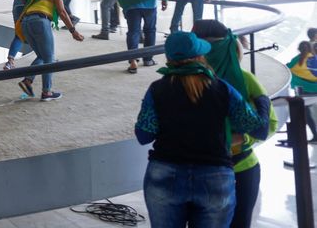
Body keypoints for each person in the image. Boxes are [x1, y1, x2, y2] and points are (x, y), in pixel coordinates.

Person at [135, 31, 270, 228]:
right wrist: (262, 101)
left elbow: (143, 135)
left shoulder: (157, 89)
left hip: (164, 176)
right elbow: (258, 129)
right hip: (214, 177)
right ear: (200, 56)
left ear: (168, 58)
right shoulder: (223, 89)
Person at [191, 19, 278, 228]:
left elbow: (270, 124)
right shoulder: (184, 82)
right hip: (198, 169)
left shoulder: (246, 79)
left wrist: (242, 137)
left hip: (241, 167)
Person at [15, 0, 84, 101]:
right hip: (40, 21)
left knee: (42, 55)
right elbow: (62, 12)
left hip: (26, 22)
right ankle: (47, 92)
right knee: (50, 58)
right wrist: (73, 30)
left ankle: (28, 80)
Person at [286, 40, 317, 142]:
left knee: (306, 114)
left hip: (305, 91)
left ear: (299, 49)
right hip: (315, 90)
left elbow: (286, 69)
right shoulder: (314, 58)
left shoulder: (298, 59)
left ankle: (314, 136)